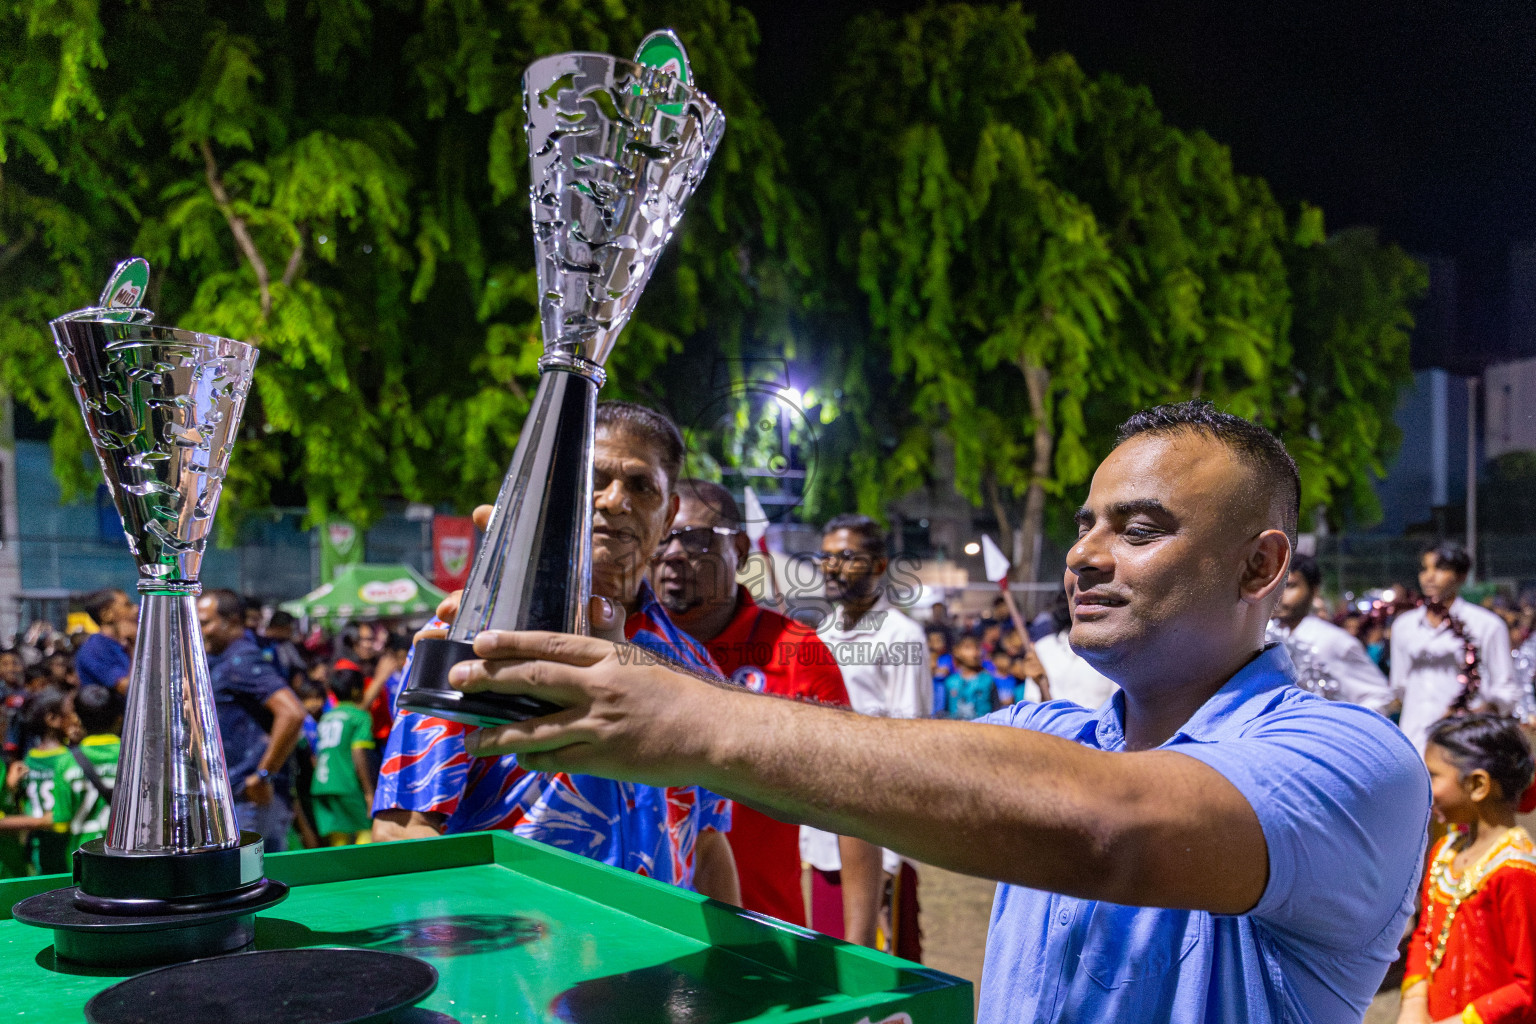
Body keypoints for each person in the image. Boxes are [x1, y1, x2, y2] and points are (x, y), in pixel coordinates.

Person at [448, 400, 1430, 1023]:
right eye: (1084, 524)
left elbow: (1109, 827)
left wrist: (692, 720)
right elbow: (873, 769)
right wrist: (598, 630)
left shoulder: (1355, 761)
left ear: (1259, 566)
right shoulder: (1049, 735)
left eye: (1139, 529)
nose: (1085, 556)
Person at [374, 402, 738, 903]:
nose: (615, 501)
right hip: (516, 944)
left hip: (653, 948)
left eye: (640, 485)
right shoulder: (474, 635)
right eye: (595, 480)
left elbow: (709, 842)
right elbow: (402, 830)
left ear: (669, 513)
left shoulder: (696, 669)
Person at [651, 478, 879, 942]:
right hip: (640, 932)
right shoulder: (619, 645)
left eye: (694, 539)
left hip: (765, 941)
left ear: (738, 549)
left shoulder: (798, 652)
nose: (673, 553)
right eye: (660, 536)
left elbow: (857, 804)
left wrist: (861, 957)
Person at [801, 514, 930, 959]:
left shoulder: (902, 636)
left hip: (880, 835)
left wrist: (890, 860)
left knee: (882, 976)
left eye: (846, 556)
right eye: (826, 557)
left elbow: (910, 749)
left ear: (878, 566)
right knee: (830, 970)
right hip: (826, 838)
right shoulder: (819, 635)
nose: (832, 567)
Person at [1400, 714, 1536, 1024]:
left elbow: (1529, 986)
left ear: (1477, 785)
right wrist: (1414, 1003)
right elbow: (1425, 933)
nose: (1425, 788)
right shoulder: (1445, 852)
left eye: (1433, 776)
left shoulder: (1516, 872)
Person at [198, 588, 307, 851]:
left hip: (250, 802)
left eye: (205, 623)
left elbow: (292, 713)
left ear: (232, 621)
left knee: (248, 874)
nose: (199, 631)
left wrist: (263, 775)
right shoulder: (224, 658)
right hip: (235, 798)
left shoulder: (241, 659)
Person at [1392, 542, 1522, 754]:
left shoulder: (1486, 625)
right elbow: (1399, 685)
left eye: (1440, 569)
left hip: (1466, 744)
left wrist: (1473, 715)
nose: (1429, 577)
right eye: (1424, 569)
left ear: (1461, 576)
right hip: (1413, 739)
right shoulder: (1404, 625)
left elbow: (1506, 688)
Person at [1268, 554, 1395, 713]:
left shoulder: (1332, 640)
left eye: (1289, 585)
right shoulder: (1263, 638)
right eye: (1273, 585)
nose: (1279, 595)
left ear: (1314, 590)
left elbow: (1379, 695)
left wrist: (1340, 722)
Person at [311, 665, 375, 845]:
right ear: (356, 690)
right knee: (365, 829)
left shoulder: (325, 717)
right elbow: (358, 751)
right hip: (347, 783)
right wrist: (369, 792)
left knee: (339, 836)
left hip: (321, 784)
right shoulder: (359, 716)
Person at [53, 683, 120, 854]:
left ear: (77, 719)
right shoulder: (137, 755)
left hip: (83, 857)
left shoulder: (66, 762)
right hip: (126, 854)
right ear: (119, 718)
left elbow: (61, 824)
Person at [18, 689, 78, 873]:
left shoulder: (28, 760)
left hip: (38, 847)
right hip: (67, 846)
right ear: (52, 719)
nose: (76, 718)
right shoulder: (69, 758)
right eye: (71, 712)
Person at [75, 588, 136, 696]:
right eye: (127, 605)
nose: (135, 609)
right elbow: (129, 688)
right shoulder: (94, 650)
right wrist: (136, 645)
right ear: (106, 614)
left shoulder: (123, 644)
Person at [943, 634, 999, 719]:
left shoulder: (987, 680)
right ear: (956, 651)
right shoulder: (950, 682)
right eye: (968, 647)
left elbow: (996, 710)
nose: (974, 653)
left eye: (977, 648)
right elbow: (944, 711)